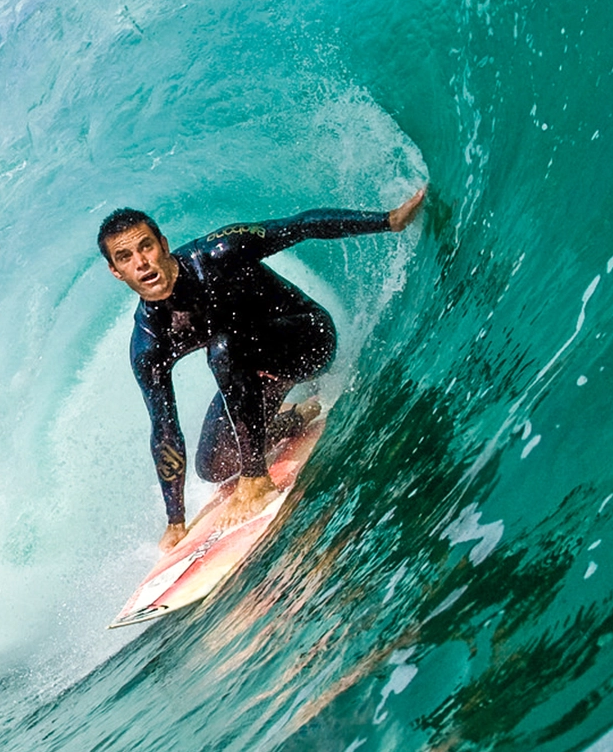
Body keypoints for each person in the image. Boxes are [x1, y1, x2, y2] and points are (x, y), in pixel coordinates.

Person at [100, 189, 426, 549]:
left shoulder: (218, 254)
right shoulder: (149, 342)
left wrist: (389, 221)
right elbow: (164, 429)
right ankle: (294, 419)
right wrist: (175, 521)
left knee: (224, 349)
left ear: (163, 244)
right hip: (255, 377)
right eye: (126, 257)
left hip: (307, 339)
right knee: (215, 466)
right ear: (117, 272)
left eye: (146, 246)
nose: (141, 262)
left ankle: (257, 479)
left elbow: (299, 226)